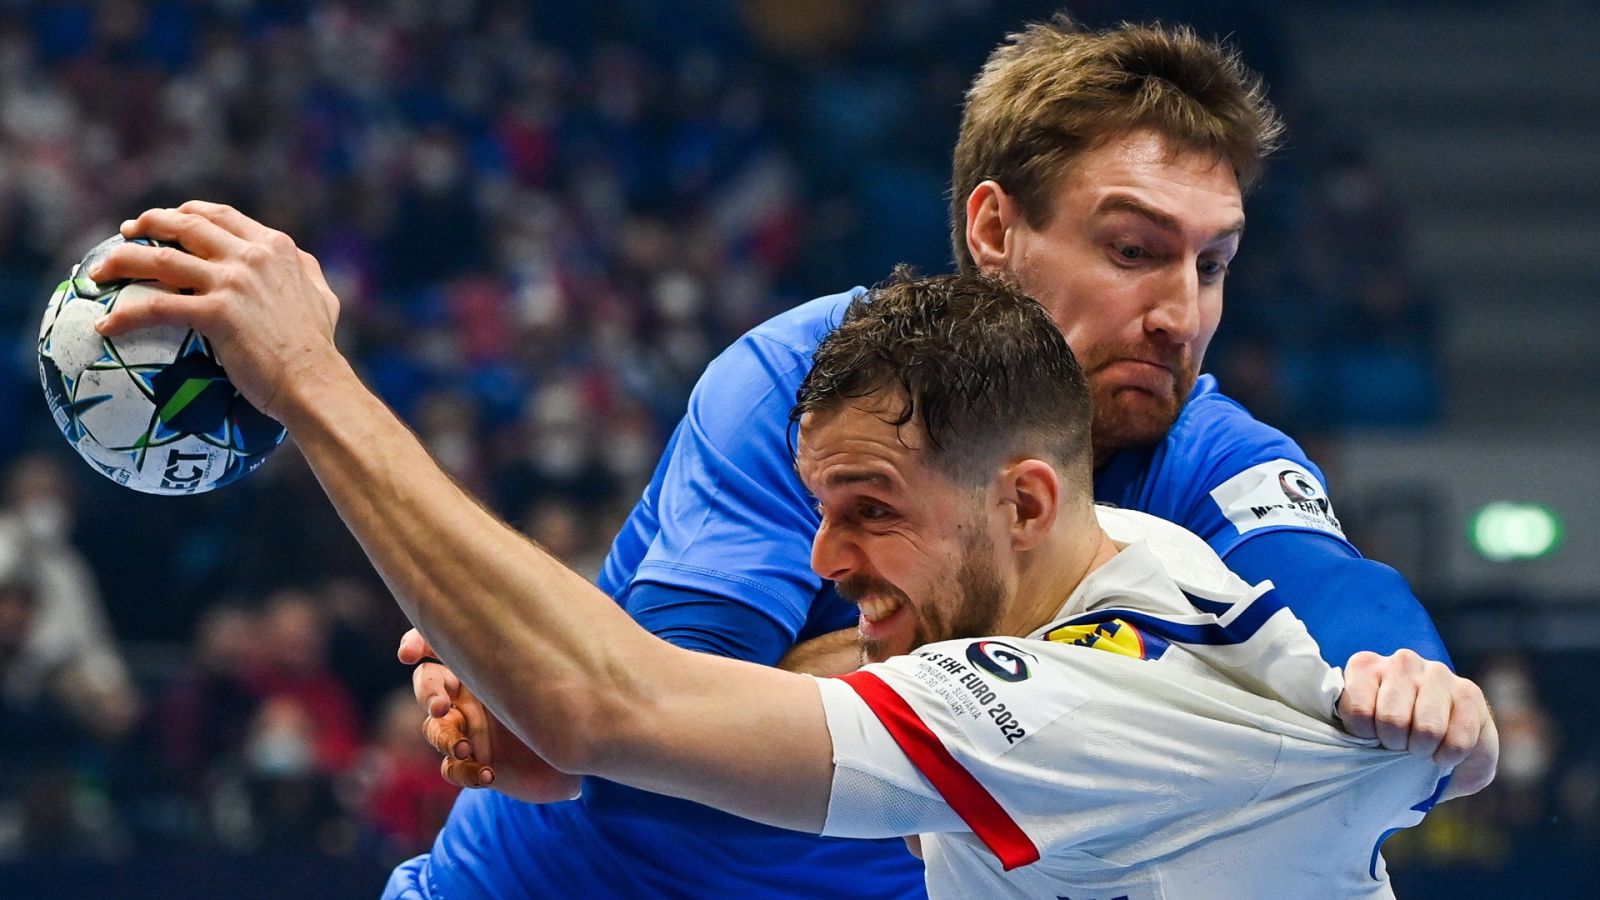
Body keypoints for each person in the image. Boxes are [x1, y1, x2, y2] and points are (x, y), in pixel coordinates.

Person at [91, 18, 1495, 899]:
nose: (1180, 307)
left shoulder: (1202, 451)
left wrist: (1426, 698)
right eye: (1135, 250)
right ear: (995, 231)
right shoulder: (819, 380)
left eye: (1216, 263)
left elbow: (1344, 602)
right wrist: (564, 701)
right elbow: (645, 716)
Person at [98, 258, 1444, 897]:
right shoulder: (1127, 574)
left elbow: (609, 700)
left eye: (870, 510)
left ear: (1024, 501)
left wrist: (309, 379)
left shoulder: (1070, 707)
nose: (823, 560)